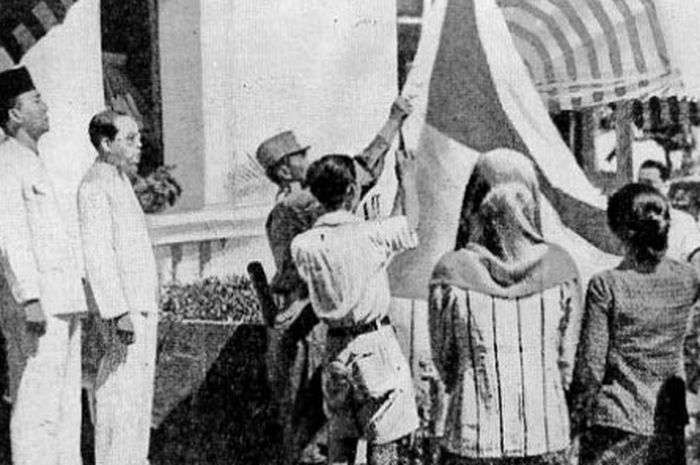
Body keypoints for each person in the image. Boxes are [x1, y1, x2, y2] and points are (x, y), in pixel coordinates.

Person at [258, 96, 412, 464]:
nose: (306, 160)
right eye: (298, 157)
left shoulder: (297, 206)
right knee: (317, 430)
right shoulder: (296, 205)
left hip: (316, 325)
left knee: (331, 430)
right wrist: (394, 121)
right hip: (309, 328)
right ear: (283, 170)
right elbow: (361, 173)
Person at [429, 179, 582, 465]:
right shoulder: (561, 268)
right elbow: (568, 360)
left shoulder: (451, 271)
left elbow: (444, 358)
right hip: (545, 429)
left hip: (472, 432)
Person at [291, 150, 420, 465]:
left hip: (335, 347)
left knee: (341, 437)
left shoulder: (304, 245)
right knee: (385, 438)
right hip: (374, 346)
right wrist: (408, 179)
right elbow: (410, 223)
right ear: (351, 191)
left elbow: (386, 234)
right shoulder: (371, 235)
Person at [569, 183, 700, 465]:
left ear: (618, 230)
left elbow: (591, 366)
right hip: (668, 424)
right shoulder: (688, 279)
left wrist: (574, 418)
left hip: (617, 422)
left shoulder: (606, 285)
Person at [0, 66, 86, 465]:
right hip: (37, 306)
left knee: (66, 409)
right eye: (36, 100)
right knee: (36, 405)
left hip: (63, 300)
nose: (46, 106)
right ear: (14, 115)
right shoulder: (6, 164)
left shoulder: (36, 162)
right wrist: (28, 297)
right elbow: (10, 236)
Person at [78, 110, 159, 465]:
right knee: (120, 389)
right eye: (129, 139)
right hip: (124, 310)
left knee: (137, 393)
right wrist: (117, 310)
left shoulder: (118, 180)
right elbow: (98, 255)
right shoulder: (95, 185)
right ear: (106, 143)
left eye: (138, 137)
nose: (138, 145)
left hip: (139, 304)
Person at [638, 159, 700, 266]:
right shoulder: (632, 219)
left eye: (649, 183)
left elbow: (696, 257)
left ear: (666, 186)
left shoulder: (683, 221)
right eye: (640, 184)